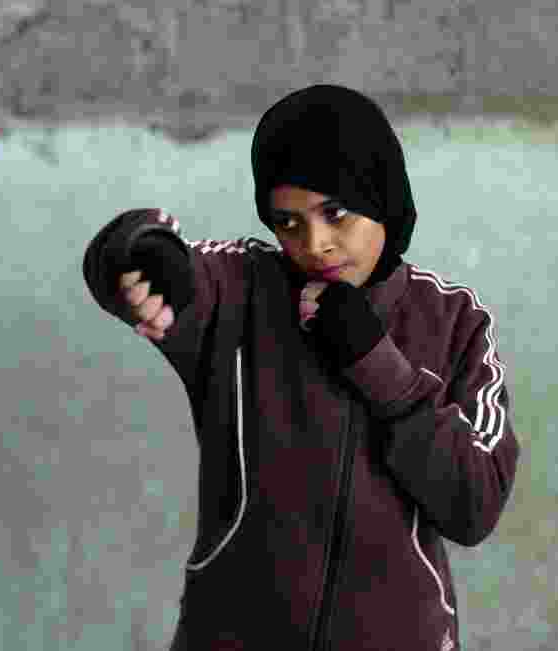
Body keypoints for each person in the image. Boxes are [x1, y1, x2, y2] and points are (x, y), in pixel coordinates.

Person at [83, 83, 521, 651]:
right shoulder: (242, 290)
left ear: (381, 195)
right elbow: (171, 267)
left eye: (335, 214)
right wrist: (136, 260)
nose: (315, 244)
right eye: (288, 223)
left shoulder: (454, 323)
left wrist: (378, 365)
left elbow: (475, 505)